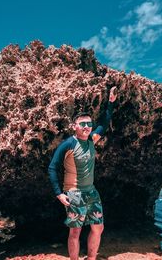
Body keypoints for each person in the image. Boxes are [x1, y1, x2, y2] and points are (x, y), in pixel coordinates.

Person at [48, 87, 117, 260]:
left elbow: (104, 122)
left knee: (98, 228)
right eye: (82, 124)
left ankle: (92, 258)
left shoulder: (92, 139)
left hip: (91, 191)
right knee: (75, 231)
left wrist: (110, 103)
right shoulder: (68, 144)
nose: (86, 127)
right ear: (75, 126)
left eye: (88, 124)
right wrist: (59, 194)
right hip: (74, 193)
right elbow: (52, 168)